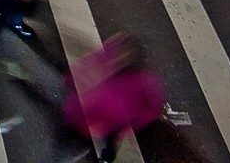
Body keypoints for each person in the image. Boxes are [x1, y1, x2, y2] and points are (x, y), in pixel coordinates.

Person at [60, 35, 166, 163]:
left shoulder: (144, 83)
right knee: (64, 147)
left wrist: (128, 126)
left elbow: (152, 109)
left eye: (127, 56)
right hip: (79, 117)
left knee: (103, 150)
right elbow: (87, 65)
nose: (121, 58)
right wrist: (72, 79)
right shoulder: (109, 56)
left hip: (108, 127)